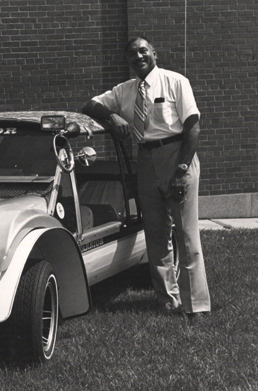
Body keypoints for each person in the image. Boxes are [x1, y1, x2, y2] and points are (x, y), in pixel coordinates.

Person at [82, 36, 210, 318]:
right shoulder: (125, 90)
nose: (138, 56)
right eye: (132, 53)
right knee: (156, 233)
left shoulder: (175, 81)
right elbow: (89, 105)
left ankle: (195, 306)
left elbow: (193, 126)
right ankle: (168, 300)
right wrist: (113, 118)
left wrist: (182, 169)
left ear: (154, 52)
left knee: (187, 235)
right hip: (145, 159)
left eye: (143, 50)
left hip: (176, 156)